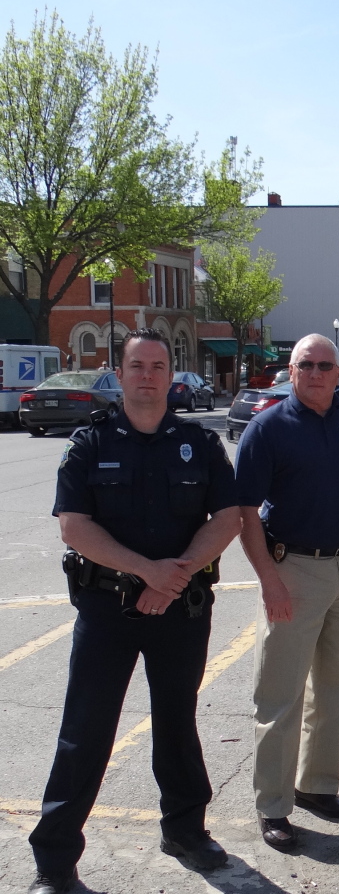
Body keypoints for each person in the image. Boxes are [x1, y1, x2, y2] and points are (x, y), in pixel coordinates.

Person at [27, 328, 241, 894]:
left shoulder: (199, 442)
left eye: (158, 365)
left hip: (181, 608)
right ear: (118, 374)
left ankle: (186, 831)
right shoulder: (90, 445)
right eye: (137, 365)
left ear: (172, 376)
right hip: (107, 610)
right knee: (86, 730)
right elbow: (75, 527)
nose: (147, 374)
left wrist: (175, 577)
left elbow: (227, 519)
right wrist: (149, 572)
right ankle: (54, 860)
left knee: (177, 722)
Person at [235, 333, 339, 850]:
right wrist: (269, 581)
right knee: (280, 695)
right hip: (292, 570)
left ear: (338, 372)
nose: (315, 373)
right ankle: (273, 806)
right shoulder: (267, 429)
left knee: (336, 685)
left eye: (324, 365)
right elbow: (244, 514)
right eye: (305, 365)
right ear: (291, 369)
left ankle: (317, 787)